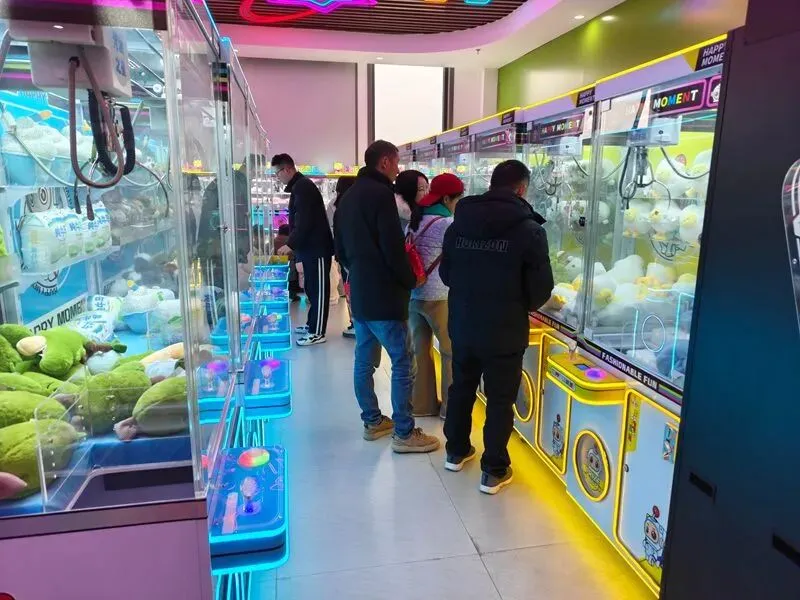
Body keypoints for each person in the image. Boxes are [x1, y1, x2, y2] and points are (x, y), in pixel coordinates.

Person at [440, 159, 554, 494]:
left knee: (462, 388)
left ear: (491, 184)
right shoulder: (530, 230)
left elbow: (446, 274)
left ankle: (455, 451)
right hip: (505, 329)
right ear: (522, 189)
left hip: (463, 322)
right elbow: (541, 290)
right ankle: (493, 469)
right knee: (500, 399)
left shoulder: (459, 224)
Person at [334, 140, 440, 453]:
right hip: (384, 293)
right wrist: (408, 280)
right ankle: (405, 433)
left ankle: (372, 421)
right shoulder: (382, 195)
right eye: (396, 162)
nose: (398, 169)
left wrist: (356, 272)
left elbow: (339, 247)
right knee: (403, 361)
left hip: (360, 291)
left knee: (364, 360)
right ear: (384, 162)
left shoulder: (349, 195)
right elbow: (393, 248)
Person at [406, 173, 464, 419]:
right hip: (440, 297)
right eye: (458, 199)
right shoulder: (447, 224)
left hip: (414, 295)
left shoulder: (415, 220)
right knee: (450, 352)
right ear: (447, 199)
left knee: (420, 350)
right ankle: (450, 410)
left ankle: (422, 405)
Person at [272, 153, 335, 346]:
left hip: (317, 248)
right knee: (312, 289)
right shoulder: (299, 187)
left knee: (319, 291)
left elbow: (305, 220)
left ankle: (318, 332)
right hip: (309, 248)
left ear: (287, 169)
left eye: (277, 173)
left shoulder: (303, 187)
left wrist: (291, 243)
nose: (277, 177)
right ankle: (311, 325)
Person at [331, 176, 357, 338]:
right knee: (353, 289)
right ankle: (356, 322)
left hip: (344, 256)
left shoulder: (338, 207)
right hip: (351, 257)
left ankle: (354, 321)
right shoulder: (349, 208)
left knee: (349, 289)